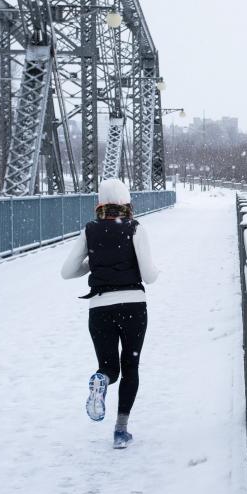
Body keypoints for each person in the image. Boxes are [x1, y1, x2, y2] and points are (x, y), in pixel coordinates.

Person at [60, 179, 160, 449]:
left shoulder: (89, 230)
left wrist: (93, 263)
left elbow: (67, 272)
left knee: (109, 367)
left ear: (100, 204)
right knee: (130, 366)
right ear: (127, 203)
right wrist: (154, 268)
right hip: (133, 305)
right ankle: (120, 431)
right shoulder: (135, 228)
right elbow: (149, 276)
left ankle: (101, 380)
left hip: (100, 308)